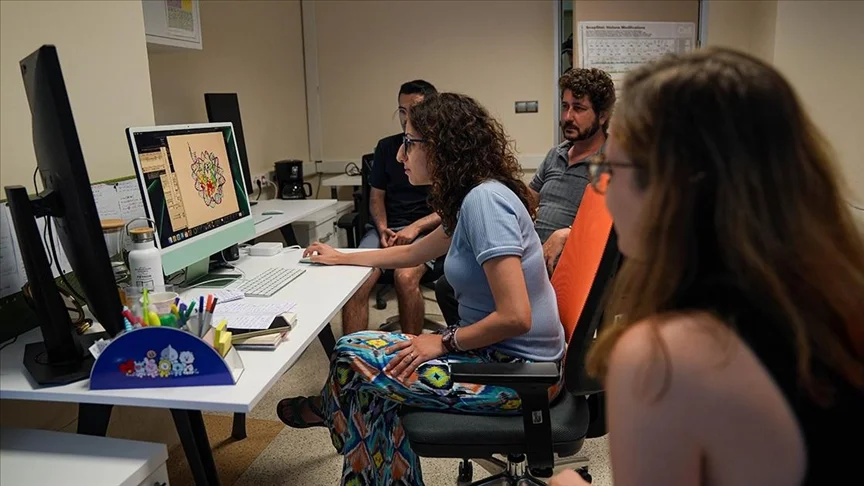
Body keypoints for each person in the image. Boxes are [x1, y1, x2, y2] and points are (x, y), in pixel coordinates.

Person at [549, 47, 864, 486]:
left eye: (611, 169)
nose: (604, 190)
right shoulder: (836, 305)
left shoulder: (666, 357)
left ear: (674, 189)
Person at [278, 93, 566, 486]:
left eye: (409, 143)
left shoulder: (485, 203)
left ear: (442, 148)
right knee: (369, 392)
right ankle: (339, 414)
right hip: (494, 356)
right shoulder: (471, 198)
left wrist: (442, 341)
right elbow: (412, 252)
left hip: (518, 376)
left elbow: (516, 316)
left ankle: (330, 410)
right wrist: (341, 255)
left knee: (349, 354)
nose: (401, 155)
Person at [435, 68, 616, 325]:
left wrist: (567, 233)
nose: (567, 117)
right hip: (532, 254)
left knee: (456, 288)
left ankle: (486, 339)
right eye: (565, 106)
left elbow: (619, 226)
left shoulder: (614, 161)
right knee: (450, 283)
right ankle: (477, 339)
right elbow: (526, 200)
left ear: (603, 115)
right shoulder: (556, 154)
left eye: (579, 108)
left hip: (568, 264)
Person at [343, 80, 441, 336]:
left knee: (405, 276)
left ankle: (410, 349)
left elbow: (452, 207)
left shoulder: (441, 151)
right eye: (401, 111)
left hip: (426, 230)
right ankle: (351, 353)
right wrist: (383, 228)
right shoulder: (387, 147)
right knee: (355, 279)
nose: (406, 118)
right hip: (386, 228)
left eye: (414, 110)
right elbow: (376, 197)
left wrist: (415, 227)